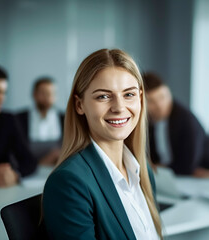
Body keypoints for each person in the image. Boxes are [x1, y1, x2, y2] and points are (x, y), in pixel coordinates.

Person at [43, 49, 162, 239]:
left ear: (140, 98)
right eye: (103, 96)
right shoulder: (69, 183)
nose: (119, 107)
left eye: (128, 94)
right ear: (79, 105)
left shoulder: (143, 171)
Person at [142, 72, 206, 175]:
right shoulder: (149, 121)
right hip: (166, 176)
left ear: (169, 93)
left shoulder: (186, 120)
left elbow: (188, 165)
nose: (159, 105)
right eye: (151, 101)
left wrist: (158, 167)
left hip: (195, 177)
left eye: (162, 97)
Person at [16, 77, 64, 165]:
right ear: (34, 94)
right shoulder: (19, 119)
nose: (48, 98)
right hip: (26, 169)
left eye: (51, 93)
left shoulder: (64, 118)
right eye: (43, 93)